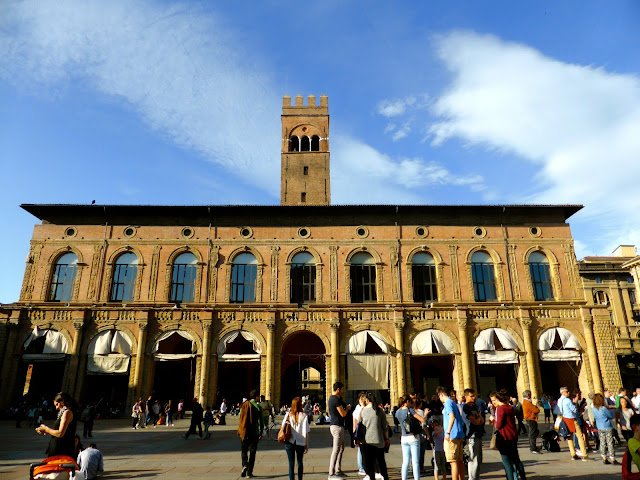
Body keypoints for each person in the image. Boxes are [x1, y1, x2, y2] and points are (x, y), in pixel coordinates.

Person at [490, 390, 526, 480]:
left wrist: (492, 420)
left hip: (504, 437)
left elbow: (499, 425)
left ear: (498, 399)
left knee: (506, 461)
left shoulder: (501, 409)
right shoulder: (510, 407)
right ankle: (523, 477)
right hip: (513, 436)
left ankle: (510, 478)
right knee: (516, 460)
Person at [35, 392, 78, 458]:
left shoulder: (67, 413)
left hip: (62, 450)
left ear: (62, 402)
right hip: (58, 448)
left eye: (57, 404)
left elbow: (60, 433)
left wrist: (46, 429)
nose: (56, 408)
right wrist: (45, 431)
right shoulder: (63, 413)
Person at [395, 395, 426, 480]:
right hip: (413, 437)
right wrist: (425, 414)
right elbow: (422, 420)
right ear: (407, 402)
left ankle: (404, 478)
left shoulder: (398, 412)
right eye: (410, 402)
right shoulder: (410, 410)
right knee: (415, 462)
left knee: (405, 462)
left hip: (404, 438)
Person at [437, 386, 465, 480]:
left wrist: (447, 432)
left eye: (439, 396)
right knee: (459, 461)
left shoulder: (448, 403)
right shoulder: (453, 403)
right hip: (459, 433)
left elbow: (451, 417)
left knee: (453, 462)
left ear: (441, 394)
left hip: (452, 435)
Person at [360, 392, 389, 480]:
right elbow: (385, 427)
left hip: (367, 441)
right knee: (381, 462)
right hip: (379, 440)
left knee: (370, 464)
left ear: (367, 400)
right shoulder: (379, 411)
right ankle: (385, 477)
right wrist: (386, 438)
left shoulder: (363, 411)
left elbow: (361, 426)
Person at [237, 389, 264, 478]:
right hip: (254, 432)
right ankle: (249, 472)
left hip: (245, 431)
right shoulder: (258, 407)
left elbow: (240, 416)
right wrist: (261, 431)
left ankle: (245, 464)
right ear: (257, 397)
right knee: (252, 452)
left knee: (244, 450)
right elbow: (261, 421)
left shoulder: (244, 405)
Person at [557, 386, 589, 460]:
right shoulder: (567, 400)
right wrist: (575, 404)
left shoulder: (559, 400)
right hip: (571, 419)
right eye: (567, 391)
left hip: (564, 419)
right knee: (580, 436)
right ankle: (584, 454)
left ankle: (573, 454)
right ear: (563, 392)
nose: (568, 392)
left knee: (569, 437)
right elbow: (574, 410)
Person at [328, 381, 351, 480]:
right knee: (336, 449)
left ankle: (338, 470)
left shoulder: (331, 398)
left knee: (341, 448)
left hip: (336, 425)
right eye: (341, 389)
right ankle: (331, 473)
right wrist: (348, 409)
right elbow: (343, 414)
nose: (342, 391)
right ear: (338, 389)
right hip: (337, 426)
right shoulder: (335, 400)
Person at [282, 396, 309, 480]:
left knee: (291, 464)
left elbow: (283, 426)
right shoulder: (304, 416)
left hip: (289, 441)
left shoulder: (288, 415)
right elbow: (306, 431)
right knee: (300, 462)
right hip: (300, 442)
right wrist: (306, 444)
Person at [463, 388, 485, 480]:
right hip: (472, 435)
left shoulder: (474, 406)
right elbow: (474, 421)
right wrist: (478, 420)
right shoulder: (465, 407)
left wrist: (478, 420)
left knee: (479, 460)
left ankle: (476, 478)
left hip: (479, 434)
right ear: (466, 396)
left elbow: (481, 420)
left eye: (474, 395)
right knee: (473, 459)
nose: (474, 397)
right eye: (471, 396)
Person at [592, 393, 616, 464]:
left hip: (599, 427)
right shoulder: (603, 408)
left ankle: (604, 457)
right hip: (607, 426)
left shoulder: (594, 409)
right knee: (610, 442)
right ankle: (612, 458)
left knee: (602, 442)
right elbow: (610, 416)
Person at [352, 392, 367, 476]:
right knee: (362, 451)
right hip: (362, 432)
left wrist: (355, 436)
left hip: (360, 433)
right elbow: (355, 424)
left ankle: (361, 467)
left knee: (360, 450)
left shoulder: (356, 409)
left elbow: (354, 425)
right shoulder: (360, 409)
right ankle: (362, 468)